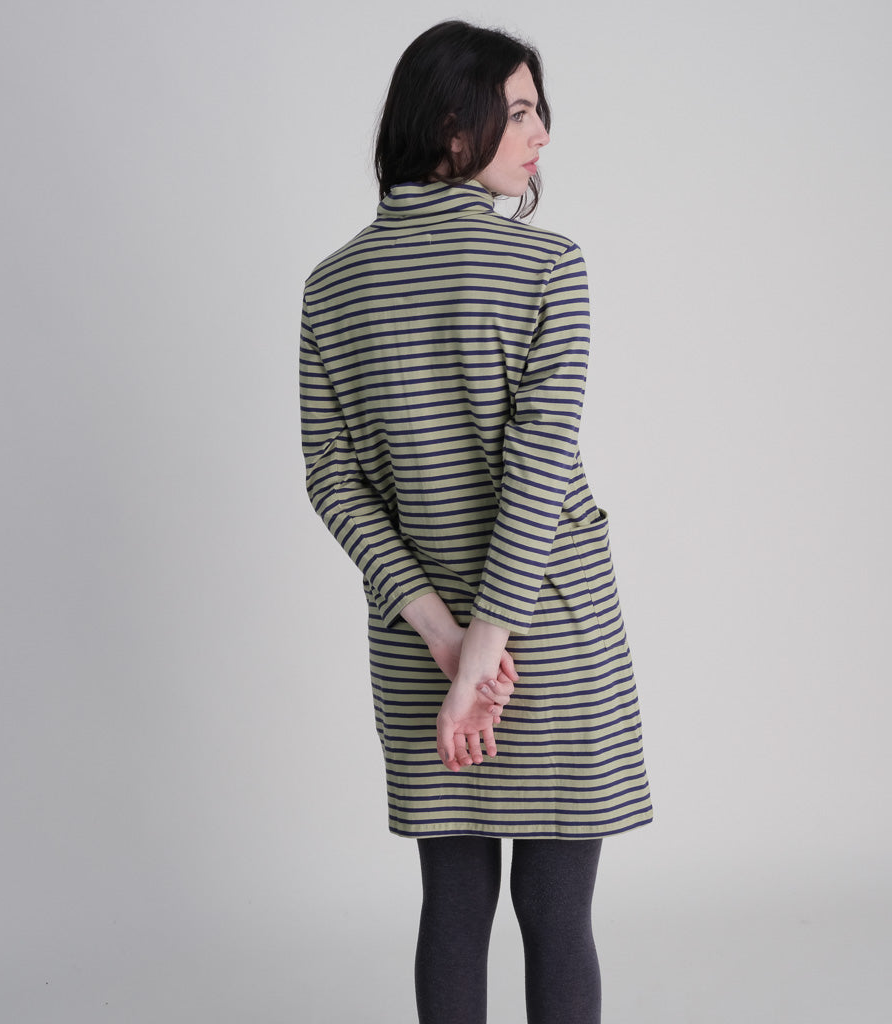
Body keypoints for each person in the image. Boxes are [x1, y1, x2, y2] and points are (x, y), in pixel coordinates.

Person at [299, 20, 652, 1024]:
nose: (542, 134)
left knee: (452, 909)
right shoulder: (548, 265)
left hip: (425, 646)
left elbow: (332, 481)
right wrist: (486, 654)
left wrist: (446, 641)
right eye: (522, 110)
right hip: (548, 632)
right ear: (454, 124)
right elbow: (538, 471)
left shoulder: (331, 286)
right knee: (558, 911)